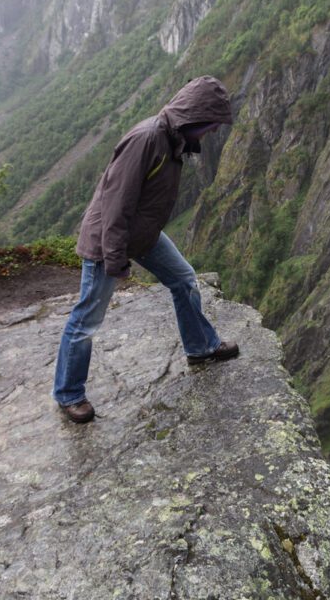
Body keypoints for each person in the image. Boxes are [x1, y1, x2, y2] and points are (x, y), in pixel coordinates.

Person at [53, 75, 238, 423]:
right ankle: (69, 395)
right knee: (87, 318)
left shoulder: (174, 140)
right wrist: (115, 257)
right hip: (109, 238)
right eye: (212, 124)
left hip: (143, 234)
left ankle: (201, 346)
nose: (214, 131)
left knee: (184, 279)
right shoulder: (147, 139)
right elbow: (115, 204)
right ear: (195, 116)